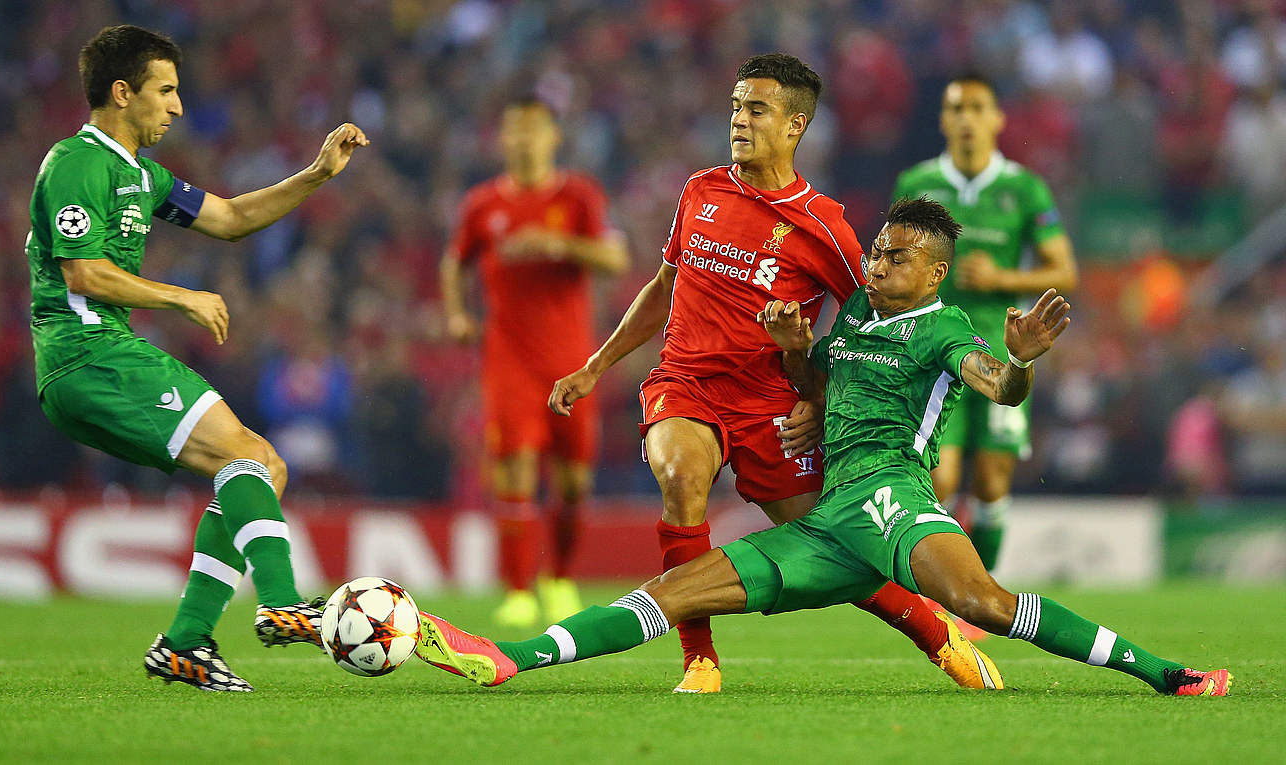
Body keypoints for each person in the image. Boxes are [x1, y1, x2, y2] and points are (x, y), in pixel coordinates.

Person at [409, 198, 1232, 698]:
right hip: (832, 520)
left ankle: (1164, 671)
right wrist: (797, 351)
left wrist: (1020, 361)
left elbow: (997, 386)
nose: (877, 264)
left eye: (897, 257)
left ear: (935, 273)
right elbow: (816, 380)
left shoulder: (943, 327)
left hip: (894, 498)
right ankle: (508, 656)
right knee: (672, 592)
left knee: (984, 603)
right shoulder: (857, 321)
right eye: (876, 252)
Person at [548, 53, 995, 693]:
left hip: (771, 405)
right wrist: (596, 365)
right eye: (736, 106)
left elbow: (873, 320)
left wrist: (820, 397)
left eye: (756, 109)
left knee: (838, 542)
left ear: (794, 126)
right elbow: (665, 286)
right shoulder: (701, 190)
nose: (739, 120)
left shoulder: (824, 225)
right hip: (685, 383)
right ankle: (699, 659)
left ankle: (934, 632)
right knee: (681, 476)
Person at [26, 25, 368, 692]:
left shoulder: (140, 174)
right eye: (165, 91)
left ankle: (186, 642)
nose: (177, 107)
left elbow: (231, 217)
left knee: (261, 465)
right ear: (121, 93)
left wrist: (317, 174)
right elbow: (82, 272)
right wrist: (180, 296)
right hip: (87, 356)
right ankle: (281, 601)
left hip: (104, 357)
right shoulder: (77, 162)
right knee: (245, 455)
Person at [442, 97, 628, 627]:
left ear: (553, 137)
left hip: (571, 359)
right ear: (502, 139)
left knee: (574, 483)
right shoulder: (482, 204)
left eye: (533, 129)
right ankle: (519, 590)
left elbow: (615, 258)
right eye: (514, 130)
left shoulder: (579, 196)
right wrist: (457, 314)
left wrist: (557, 244)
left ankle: (560, 578)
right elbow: (454, 262)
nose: (524, 139)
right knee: (515, 469)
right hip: (509, 360)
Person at [892, 74, 1078, 581]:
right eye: (957, 108)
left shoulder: (1024, 188)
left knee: (993, 483)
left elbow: (1064, 271)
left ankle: (983, 590)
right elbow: (890, 261)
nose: (967, 118)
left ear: (997, 119)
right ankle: (945, 592)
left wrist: (1003, 278)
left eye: (977, 107)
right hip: (934, 352)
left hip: (1002, 351)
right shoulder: (915, 184)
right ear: (943, 120)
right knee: (940, 480)